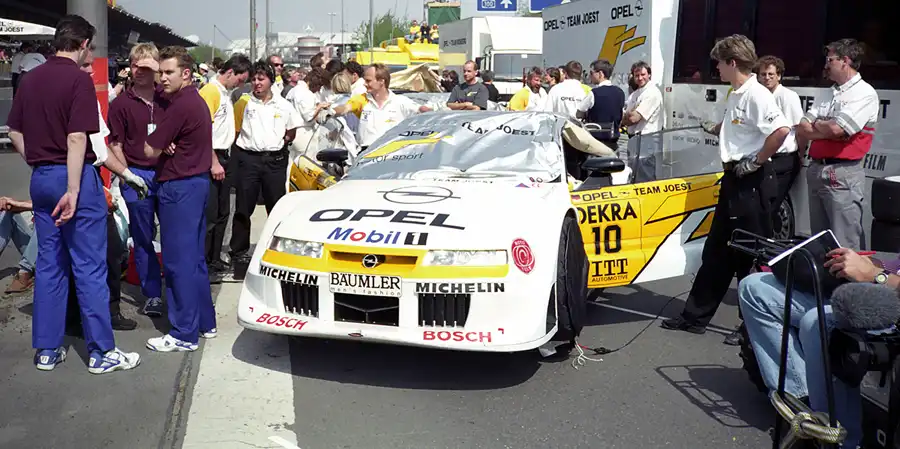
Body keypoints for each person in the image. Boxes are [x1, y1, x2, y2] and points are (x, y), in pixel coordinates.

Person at [6, 14, 141, 373]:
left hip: (42, 175)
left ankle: (47, 350)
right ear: (82, 45)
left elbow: (14, 131)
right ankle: (101, 351)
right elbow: (78, 137)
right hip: (74, 177)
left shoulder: (31, 79)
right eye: (90, 47)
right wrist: (73, 186)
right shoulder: (79, 81)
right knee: (90, 266)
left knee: (50, 265)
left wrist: (38, 163)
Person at [661, 34, 791, 339]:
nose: (716, 68)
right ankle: (694, 317)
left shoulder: (757, 94)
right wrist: (716, 128)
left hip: (752, 180)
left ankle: (752, 328)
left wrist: (757, 160)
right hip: (734, 180)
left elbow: (781, 130)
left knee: (750, 255)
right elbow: (740, 128)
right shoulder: (736, 93)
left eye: (719, 63)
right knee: (717, 251)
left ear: (733, 63)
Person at [739, 249, 900, 449]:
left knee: (816, 321)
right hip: (878, 289)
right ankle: (804, 409)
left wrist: (875, 275)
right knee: (754, 288)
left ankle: (839, 440)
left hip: (891, 307)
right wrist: (869, 265)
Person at [143, 46, 217, 352]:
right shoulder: (195, 101)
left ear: (186, 74)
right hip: (196, 183)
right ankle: (204, 322)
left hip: (179, 187)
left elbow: (149, 149)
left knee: (176, 263)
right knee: (194, 260)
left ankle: (183, 333)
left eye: (168, 72)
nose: (162, 79)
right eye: (160, 72)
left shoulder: (181, 106)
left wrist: (161, 140)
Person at [797, 39, 879, 251]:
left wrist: (820, 126)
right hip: (818, 170)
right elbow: (803, 125)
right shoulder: (831, 92)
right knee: (819, 244)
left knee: (846, 245)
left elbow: (838, 130)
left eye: (830, 60)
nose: (826, 64)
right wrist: (826, 127)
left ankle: (849, 285)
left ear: (846, 61)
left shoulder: (863, 93)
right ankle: (825, 284)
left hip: (842, 174)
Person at [106, 42, 168, 317]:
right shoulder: (120, 104)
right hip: (137, 174)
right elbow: (116, 144)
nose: (139, 71)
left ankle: (177, 289)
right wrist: (127, 174)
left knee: (173, 235)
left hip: (169, 174)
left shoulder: (168, 98)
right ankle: (152, 293)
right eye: (134, 65)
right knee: (142, 238)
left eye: (146, 66)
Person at [228, 60, 299, 280]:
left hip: (274, 161)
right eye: (254, 79)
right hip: (248, 159)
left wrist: (276, 146)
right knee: (243, 208)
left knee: (276, 207)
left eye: (261, 79)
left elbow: (291, 133)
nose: (257, 83)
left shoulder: (284, 105)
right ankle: (239, 253)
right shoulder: (244, 102)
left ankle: (277, 248)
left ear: (271, 80)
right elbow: (236, 131)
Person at [198, 53, 252, 281]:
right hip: (214, 156)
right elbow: (203, 129)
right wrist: (213, 162)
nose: (240, 85)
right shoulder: (210, 92)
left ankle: (214, 257)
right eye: (240, 80)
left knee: (223, 212)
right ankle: (204, 261)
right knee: (211, 215)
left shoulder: (225, 94)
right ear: (230, 73)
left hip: (225, 156)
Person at [329, 63, 432, 150]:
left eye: (368, 81)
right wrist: (331, 111)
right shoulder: (361, 99)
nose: (364, 84)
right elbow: (345, 108)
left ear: (381, 81)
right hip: (366, 155)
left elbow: (422, 110)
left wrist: (433, 110)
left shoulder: (400, 102)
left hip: (392, 155)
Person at [756, 55, 805, 226]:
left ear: (779, 76)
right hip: (765, 158)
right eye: (763, 74)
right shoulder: (759, 96)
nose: (767, 78)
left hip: (783, 159)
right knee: (761, 207)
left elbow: (799, 128)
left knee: (769, 208)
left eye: (771, 74)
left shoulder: (788, 97)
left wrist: (802, 153)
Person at [621, 61, 664, 181]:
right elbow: (625, 118)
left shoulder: (652, 93)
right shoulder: (635, 94)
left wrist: (628, 116)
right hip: (634, 138)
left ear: (649, 75)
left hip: (646, 139)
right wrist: (628, 116)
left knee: (645, 176)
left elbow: (633, 118)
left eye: (643, 74)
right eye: (637, 75)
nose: (640, 78)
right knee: (633, 174)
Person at [0, 196, 37, 294]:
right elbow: (38, 202)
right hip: (35, 248)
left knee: (45, 219)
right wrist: (11, 204)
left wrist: (19, 204)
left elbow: (48, 206)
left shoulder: (73, 192)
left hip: (52, 251)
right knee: (8, 213)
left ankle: (25, 272)